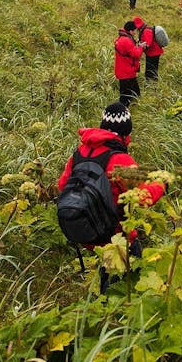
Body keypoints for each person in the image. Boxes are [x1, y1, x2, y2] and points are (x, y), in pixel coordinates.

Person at [57, 102, 166, 293]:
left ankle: (105, 299)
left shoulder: (79, 153)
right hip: (116, 236)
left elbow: (62, 186)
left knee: (107, 268)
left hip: (88, 229)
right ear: (126, 134)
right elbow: (143, 197)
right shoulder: (120, 160)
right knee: (125, 280)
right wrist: (162, 183)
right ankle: (115, 312)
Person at [115, 20, 148, 105]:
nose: (135, 33)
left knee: (135, 93)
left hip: (125, 70)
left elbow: (129, 51)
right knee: (125, 96)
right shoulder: (126, 40)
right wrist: (141, 47)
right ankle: (122, 111)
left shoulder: (122, 38)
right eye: (135, 31)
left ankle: (136, 106)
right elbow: (136, 54)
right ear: (130, 31)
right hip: (126, 71)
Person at [133, 16, 164, 80]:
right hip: (151, 53)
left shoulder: (146, 31)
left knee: (152, 69)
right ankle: (151, 81)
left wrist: (139, 47)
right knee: (150, 68)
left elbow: (147, 44)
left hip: (154, 53)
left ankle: (152, 82)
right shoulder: (143, 29)